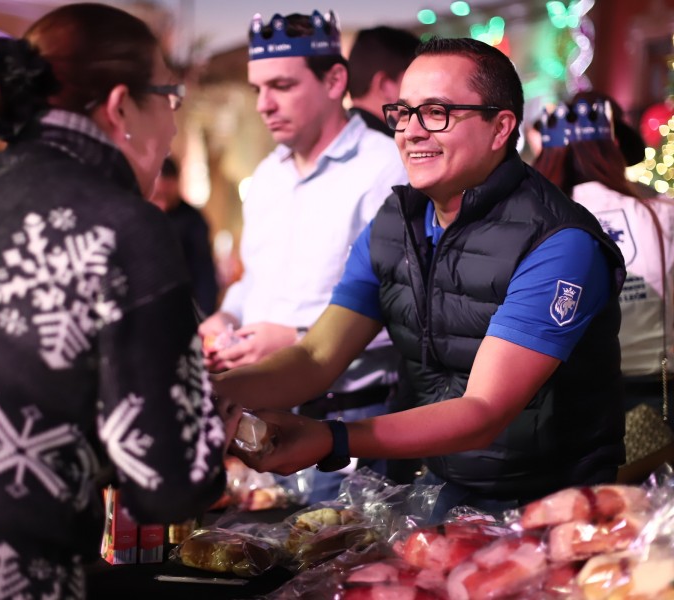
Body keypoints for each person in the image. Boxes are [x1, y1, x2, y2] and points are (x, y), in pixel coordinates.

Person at [0, 4, 234, 597]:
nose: (173, 126)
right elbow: (172, 483)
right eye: (170, 99)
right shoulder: (123, 228)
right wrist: (212, 402)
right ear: (122, 107)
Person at [215, 37, 627, 522]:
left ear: (500, 128)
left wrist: (333, 439)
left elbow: (483, 411)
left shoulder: (559, 242)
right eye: (403, 113)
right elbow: (316, 355)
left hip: (553, 503)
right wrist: (210, 394)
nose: (410, 131)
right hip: (440, 488)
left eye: (436, 113)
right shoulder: (396, 221)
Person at [199, 9, 407, 503]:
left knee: (337, 570)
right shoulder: (268, 174)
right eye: (258, 89)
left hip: (350, 419)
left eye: (282, 85)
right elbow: (255, 279)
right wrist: (225, 316)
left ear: (335, 80)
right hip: (260, 419)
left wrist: (291, 338)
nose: (264, 104)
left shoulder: (384, 168)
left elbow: (406, 307)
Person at [534, 96, 674, 417]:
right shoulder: (663, 214)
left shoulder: (539, 219)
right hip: (657, 388)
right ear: (612, 148)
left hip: (572, 397)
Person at [150, 156, 219, 315]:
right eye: (158, 195)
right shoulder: (140, 214)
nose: (162, 204)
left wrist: (204, 314)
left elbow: (204, 271)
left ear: (176, 184)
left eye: (166, 195)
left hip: (181, 306)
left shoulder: (193, 220)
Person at [347, 25, 420, 137]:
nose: (425, 90)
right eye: (417, 80)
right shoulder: (391, 150)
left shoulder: (337, 140)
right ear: (385, 86)